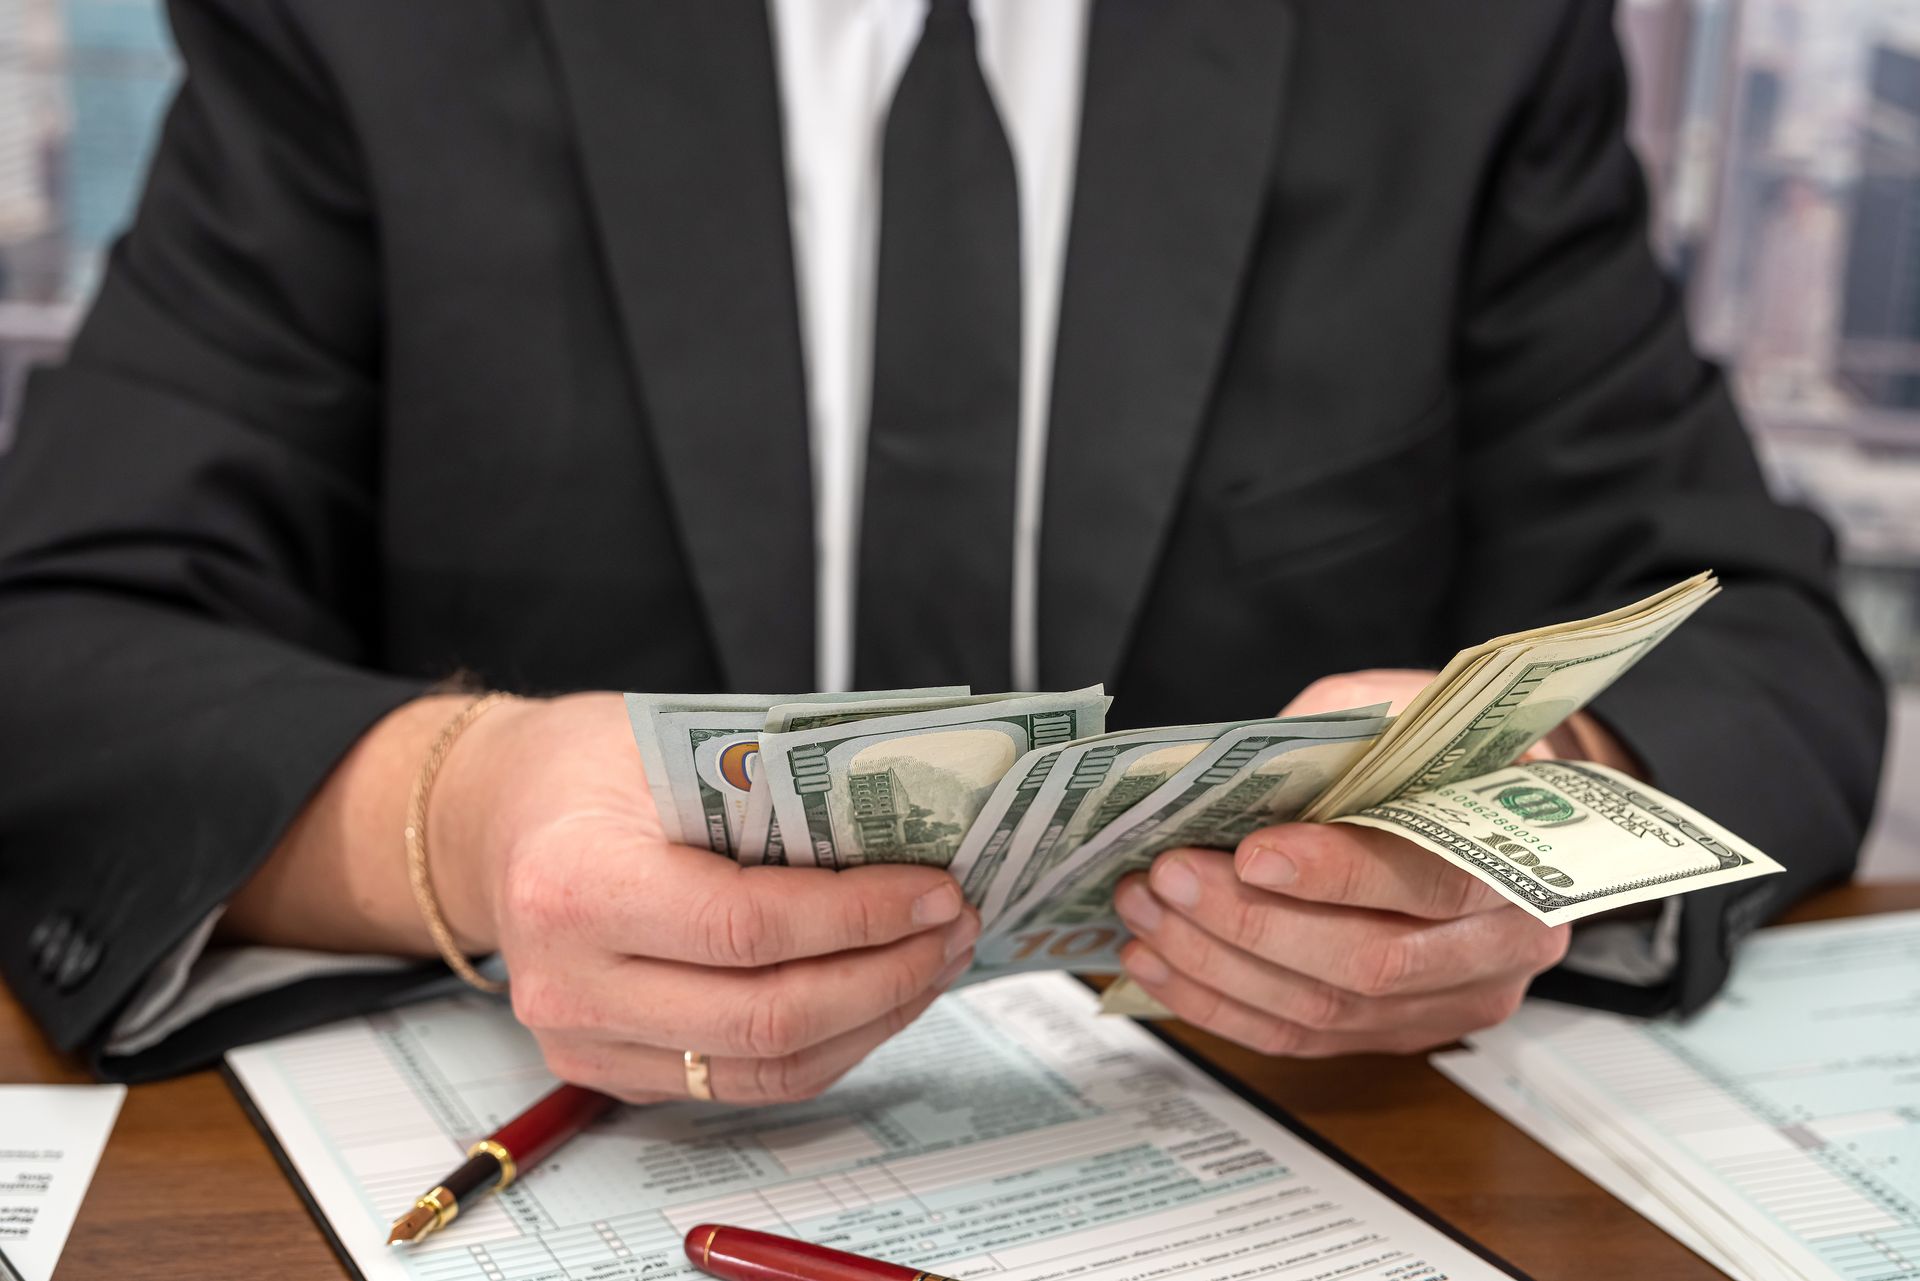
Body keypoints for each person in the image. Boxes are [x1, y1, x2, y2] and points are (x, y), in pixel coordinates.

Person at [0, 0, 1885, 1090]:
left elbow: (1762, 645)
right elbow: (70, 645)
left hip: (1253, 1148)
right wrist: (464, 809)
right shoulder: (366, 26)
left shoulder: (1448, 39)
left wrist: (1517, 821)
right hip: (558, 1139)